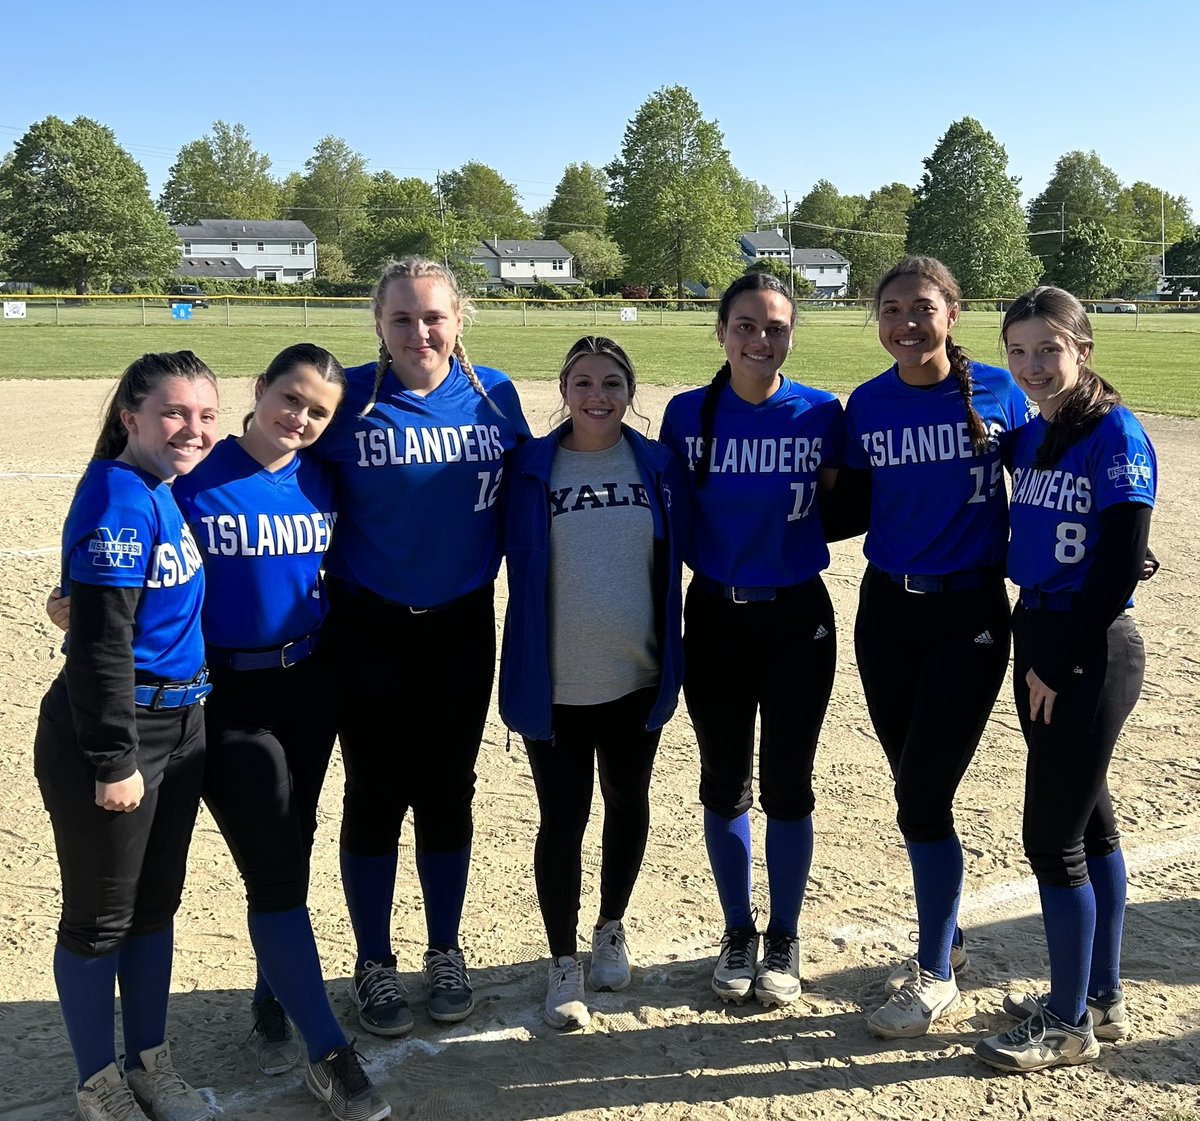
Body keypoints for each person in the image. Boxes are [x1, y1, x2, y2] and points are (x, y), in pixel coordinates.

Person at [48, 346, 392, 1121]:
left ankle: (272, 999)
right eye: (288, 398)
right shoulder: (182, 474)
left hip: (301, 683)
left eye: (318, 410)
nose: (299, 417)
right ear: (259, 389)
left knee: (277, 858)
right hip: (215, 697)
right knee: (218, 877)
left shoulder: (321, 472)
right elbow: (112, 581)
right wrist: (73, 600)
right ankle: (325, 1046)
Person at [311, 256, 530, 1037]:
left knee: (447, 790)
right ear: (378, 323)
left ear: (460, 319)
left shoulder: (492, 396)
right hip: (367, 627)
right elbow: (266, 473)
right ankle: (373, 960)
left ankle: (443, 947)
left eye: (433, 316)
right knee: (373, 791)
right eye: (401, 318)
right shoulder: (344, 401)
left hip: (461, 626)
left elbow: (536, 491)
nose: (419, 331)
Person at [837, 256, 1035, 1040]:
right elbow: (844, 505)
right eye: (891, 309)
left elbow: (1051, 480)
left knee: (921, 796)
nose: (906, 324)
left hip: (970, 617)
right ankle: (945, 932)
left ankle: (936, 972)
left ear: (952, 313)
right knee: (915, 786)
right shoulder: (868, 404)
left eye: (923, 308)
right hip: (886, 611)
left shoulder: (998, 391)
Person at [975, 287, 1155, 1073]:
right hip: (1043, 629)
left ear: (1082, 347)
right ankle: (1102, 994)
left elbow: (1119, 562)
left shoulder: (1114, 432)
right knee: (1092, 824)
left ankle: (1068, 1018)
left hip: (1086, 645)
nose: (1032, 366)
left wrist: (1057, 660)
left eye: (1048, 349)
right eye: (1017, 351)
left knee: (1051, 837)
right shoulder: (1039, 430)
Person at [34, 352, 216, 1121]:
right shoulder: (118, 493)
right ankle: (97, 1083)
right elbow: (103, 644)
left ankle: (150, 1061)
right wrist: (114, 757)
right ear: (130, 417)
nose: (193, 428)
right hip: (117, 733)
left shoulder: (156, 490)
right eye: (175, 412)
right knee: (100, 918)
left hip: (180, 725)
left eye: (206, 415)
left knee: (154, 907)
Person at [659, 271, 843, 1007]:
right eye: (745, 325)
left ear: (792, 333)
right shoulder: (686, 415)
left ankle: (785, 935)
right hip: (716, 615)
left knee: (789, 783)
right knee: (724, 779)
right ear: (721, 331)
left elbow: (849, 500)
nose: (760, 339)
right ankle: (738, 928)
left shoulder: (822, 413)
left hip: (799, 617)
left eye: (774, 327)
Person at [499, 336, 687, 1029]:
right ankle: (560, 960)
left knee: (627, 802)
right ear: (564, 389)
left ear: (629, 391)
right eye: (582, 382)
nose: (597, 395)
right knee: (564, 818)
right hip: (557, 682)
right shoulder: (531, 467)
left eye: (611, 382)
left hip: (636, 673)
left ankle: (610, 925)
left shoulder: (659, 465)